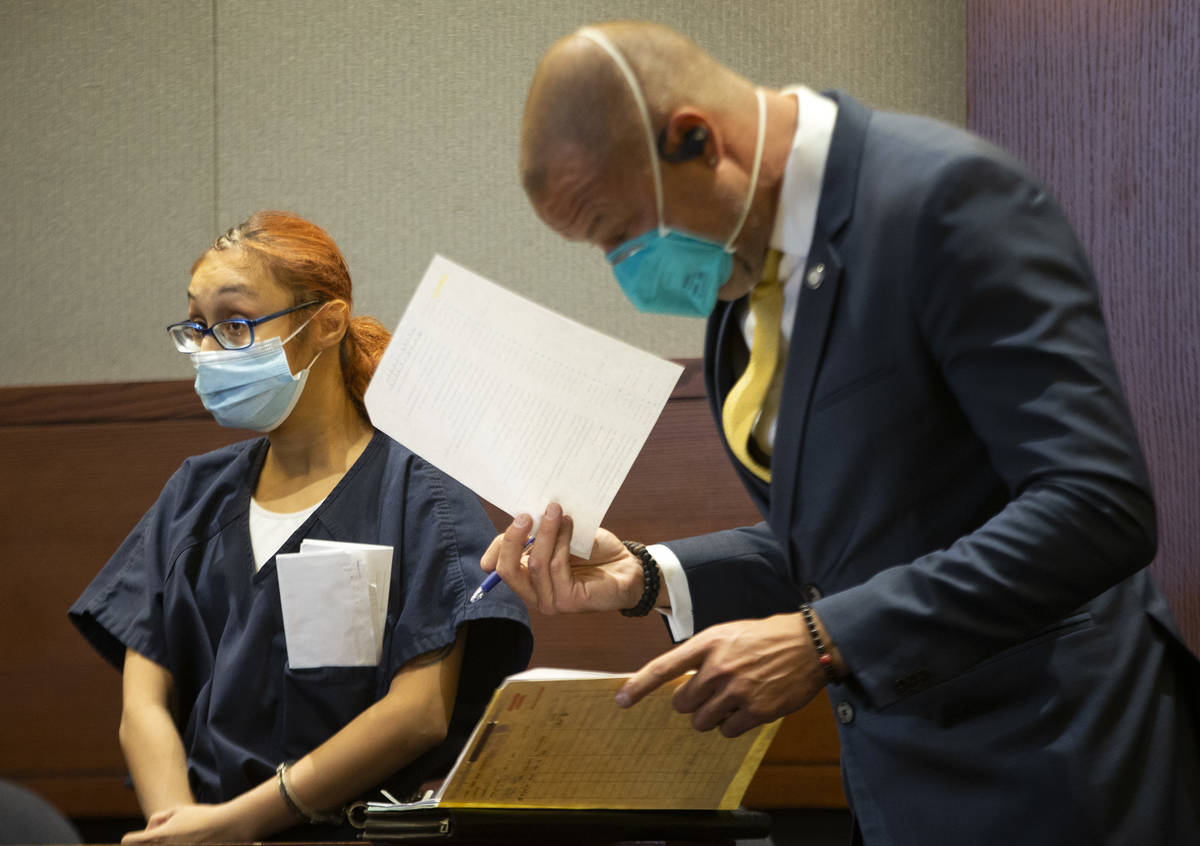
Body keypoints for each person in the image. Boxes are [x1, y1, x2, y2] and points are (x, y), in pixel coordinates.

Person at [484, 21, 1200, 845]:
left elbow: (1097, 507)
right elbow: (853, 544)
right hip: (900, 782)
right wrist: (647, 576)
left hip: (1056, 767)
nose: (624, 268)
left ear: (694, 138)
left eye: (620, 234)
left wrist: (825, 640)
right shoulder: (738, 292)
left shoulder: (944, 200)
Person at [70, 211, 532, 843]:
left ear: (327, 323)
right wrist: (179, 827)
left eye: (234, 325)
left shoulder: (416, 492)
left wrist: (238, 824)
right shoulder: (193, 496)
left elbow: (418, 714)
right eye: (197, 328)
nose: (208, 351)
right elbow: (143, 703)